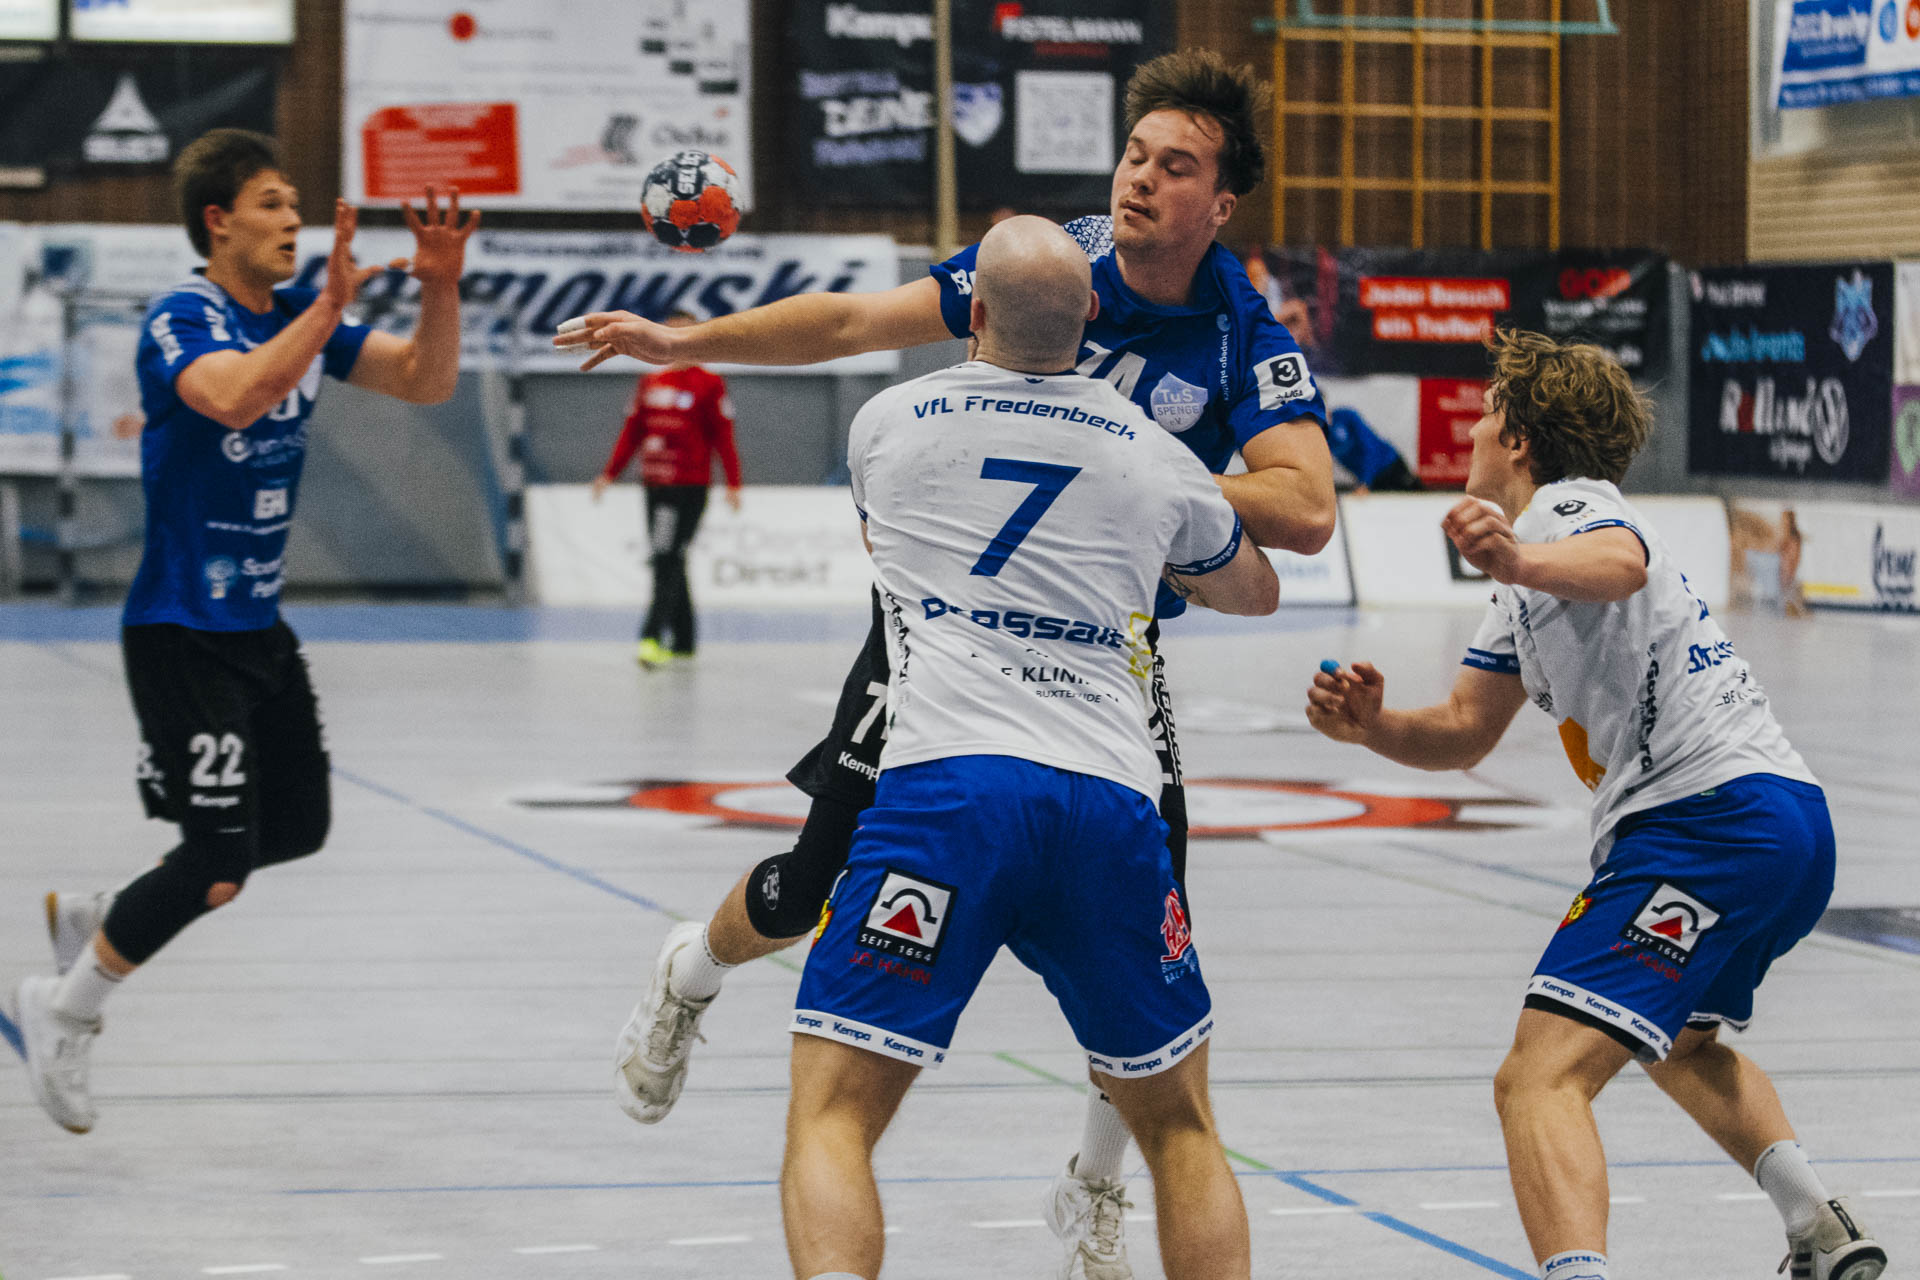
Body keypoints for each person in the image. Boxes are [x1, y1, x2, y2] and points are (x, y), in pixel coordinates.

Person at [575, 49, 1335, 1278]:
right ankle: (691, 970)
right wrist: (683, 341)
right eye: (1134, 154)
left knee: (1151, 945)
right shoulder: (1050, 261)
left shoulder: (1240, 328)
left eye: (1174, 166)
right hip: (941, 637)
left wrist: (1130, 470)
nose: (1140, 180)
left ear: (1221, 204)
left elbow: (1306, 507)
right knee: (809, 889)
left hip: (1109, 653)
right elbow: (850, 321)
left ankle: (1097, 1178)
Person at [1304, 330, 1885, 1280]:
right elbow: (1463, 729)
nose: (1473, 430)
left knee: (1537, 1078)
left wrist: (1518, 559)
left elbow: (1620, 562)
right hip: (1783, 821)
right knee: (1680, 1045)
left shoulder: (1566, 510)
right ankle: (1819, 1227)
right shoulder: (1527, 571)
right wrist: (1372, 727)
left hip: (1707, 824)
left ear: (1520, 440)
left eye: (1487, 414)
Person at [784, 214, 1277, 1280]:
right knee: (1180, 1128)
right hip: (1107, 802)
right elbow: (1255, 591)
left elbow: (886, 541)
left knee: (834, 1113)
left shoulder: (888, 422)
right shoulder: (1158, 455)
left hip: (947, 794)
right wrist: (1153, 556)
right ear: (1093, 311)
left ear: (972, 310)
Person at [13, 128, 478, 1135]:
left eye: (296, 203)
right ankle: (62, 1006)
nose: (293, 219)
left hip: (258, 627)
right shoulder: (184, 316)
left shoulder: (298, 318)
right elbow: (231, 395)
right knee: (218, 861)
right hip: (181, 627)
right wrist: (328, 306)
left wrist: (440, 288)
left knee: (296, 827)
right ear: (218, 221)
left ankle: (103, 915)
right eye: (272, 203)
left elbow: (425, 380)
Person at [589, 310, 742, 668]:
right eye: (670, 332)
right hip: (656, 486)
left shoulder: (709, 383)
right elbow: (633, 432)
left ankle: (652, 637)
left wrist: (733, 483)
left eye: (684, 333)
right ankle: (684, 640)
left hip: (689, 487)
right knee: (670, 557)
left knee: (667, 557)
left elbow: (723, 437)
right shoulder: (651, 381)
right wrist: (609, 474)